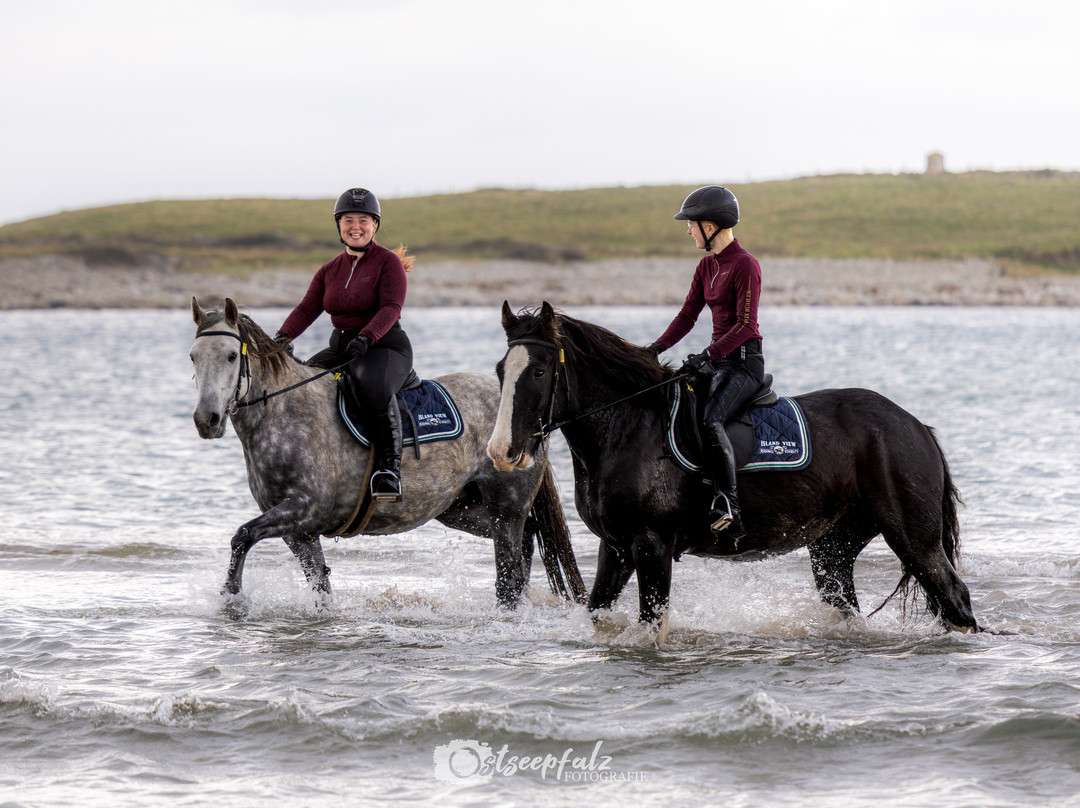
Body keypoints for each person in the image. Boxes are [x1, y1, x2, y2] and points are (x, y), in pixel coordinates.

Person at [275, 187, 412, 502]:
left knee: (373, 389)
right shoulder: (329, 269)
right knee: (300, 385)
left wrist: (366, 337)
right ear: (339, 225)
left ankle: (389, 471)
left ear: (374, 225)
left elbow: (391, 308)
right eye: (348, 219)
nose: (355, 226)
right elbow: (307, 309)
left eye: (363, 220)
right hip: (342, 348)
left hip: (385, 346)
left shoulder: (388, 263)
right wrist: (282, 338)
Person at [645, 185, 765, 535]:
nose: (687, 230)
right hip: (715, 364)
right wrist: (654, 349)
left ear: (710, 226)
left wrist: (708, 354)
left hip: (743, 365)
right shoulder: (705, 267)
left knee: (712, 420)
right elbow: (686, 317)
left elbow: (746, 326)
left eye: (691, 224)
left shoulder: (746, 265)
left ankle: (730, 502)